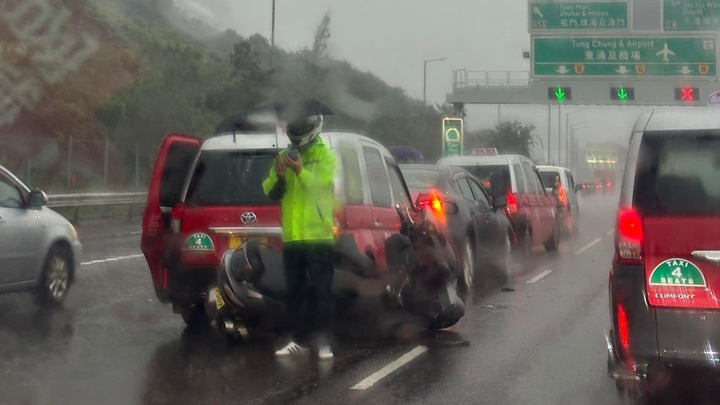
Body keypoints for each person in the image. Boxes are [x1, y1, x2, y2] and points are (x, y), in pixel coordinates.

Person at [262, 112, 338, 359]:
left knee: (321, 291)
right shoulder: (284, 155)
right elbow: (269, 190)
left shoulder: (324, 155)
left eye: (303, 124)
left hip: (318, 237)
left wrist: (300, 170)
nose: (299, 129)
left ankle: (325, 340)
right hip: (293, 237)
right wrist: (280, 174)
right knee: (294, 291)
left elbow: (321, 186)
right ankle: (296, 338)